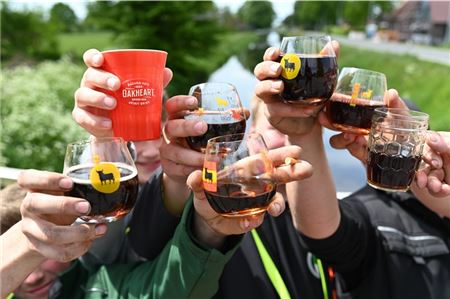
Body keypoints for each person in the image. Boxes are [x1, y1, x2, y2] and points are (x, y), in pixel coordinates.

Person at [72, 49, 338, 299]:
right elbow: (111, 255)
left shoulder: (252, 193)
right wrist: (104, 144)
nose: (150, 150)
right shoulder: (186, 194)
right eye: (133, 140)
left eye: (156, 130)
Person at [253, 43, 450, 299]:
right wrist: (303, 135)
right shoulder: (371, 211)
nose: (396, 143)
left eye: (404, 136)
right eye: (390, 133)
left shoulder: (434, 199)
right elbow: (325, 232)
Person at [2, 157, 306, 298]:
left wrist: (211, 232)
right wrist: (26, 247)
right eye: (24, 259)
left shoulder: (96, 285)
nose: (35, 276)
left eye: (48, 246)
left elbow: (168, 289)